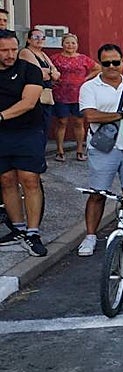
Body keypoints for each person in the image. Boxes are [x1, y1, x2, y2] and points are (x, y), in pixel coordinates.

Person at [78, 43, 123, 258]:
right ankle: (90, 236)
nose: (112, 67)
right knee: (97, 194)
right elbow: (90, 116)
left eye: (116, 62)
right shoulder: (89, 87)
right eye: (106, 63)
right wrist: (122, 114)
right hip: (103, 148)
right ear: (101, 64)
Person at [0, 29, 49, 256]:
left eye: (13, 49)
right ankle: (18, 228)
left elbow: (29, 102)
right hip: (2, 136)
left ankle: (33, 232)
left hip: (28, 131)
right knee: (6, 179)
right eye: (3, 50)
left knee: (29, 179)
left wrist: (1, 116)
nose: (10, 54)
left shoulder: (29, 70)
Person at [50, 33, 99, 161]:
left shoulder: (83, 59)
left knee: (79, 122)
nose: (70, 45)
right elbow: (48, 69)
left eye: (73, 43)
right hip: (60, 94)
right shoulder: (55, 58)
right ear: (62, 44)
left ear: (77, 45)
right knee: (62, 122)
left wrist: (85, 79)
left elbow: (97, 68)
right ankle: (59, 150)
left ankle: (79, 149)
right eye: (67, 42)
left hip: (79, 95)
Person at [19, 28, 59, 133]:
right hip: (35, 95)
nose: (40, 40)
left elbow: (56, 74)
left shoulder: (43, 54)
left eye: (42, 38)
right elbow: (39, 73)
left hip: (46, 95)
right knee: (38, 127)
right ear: (28, 40)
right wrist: (51, 72)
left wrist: (50, 72)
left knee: (46, 125)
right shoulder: (26, 52)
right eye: (36, 37)